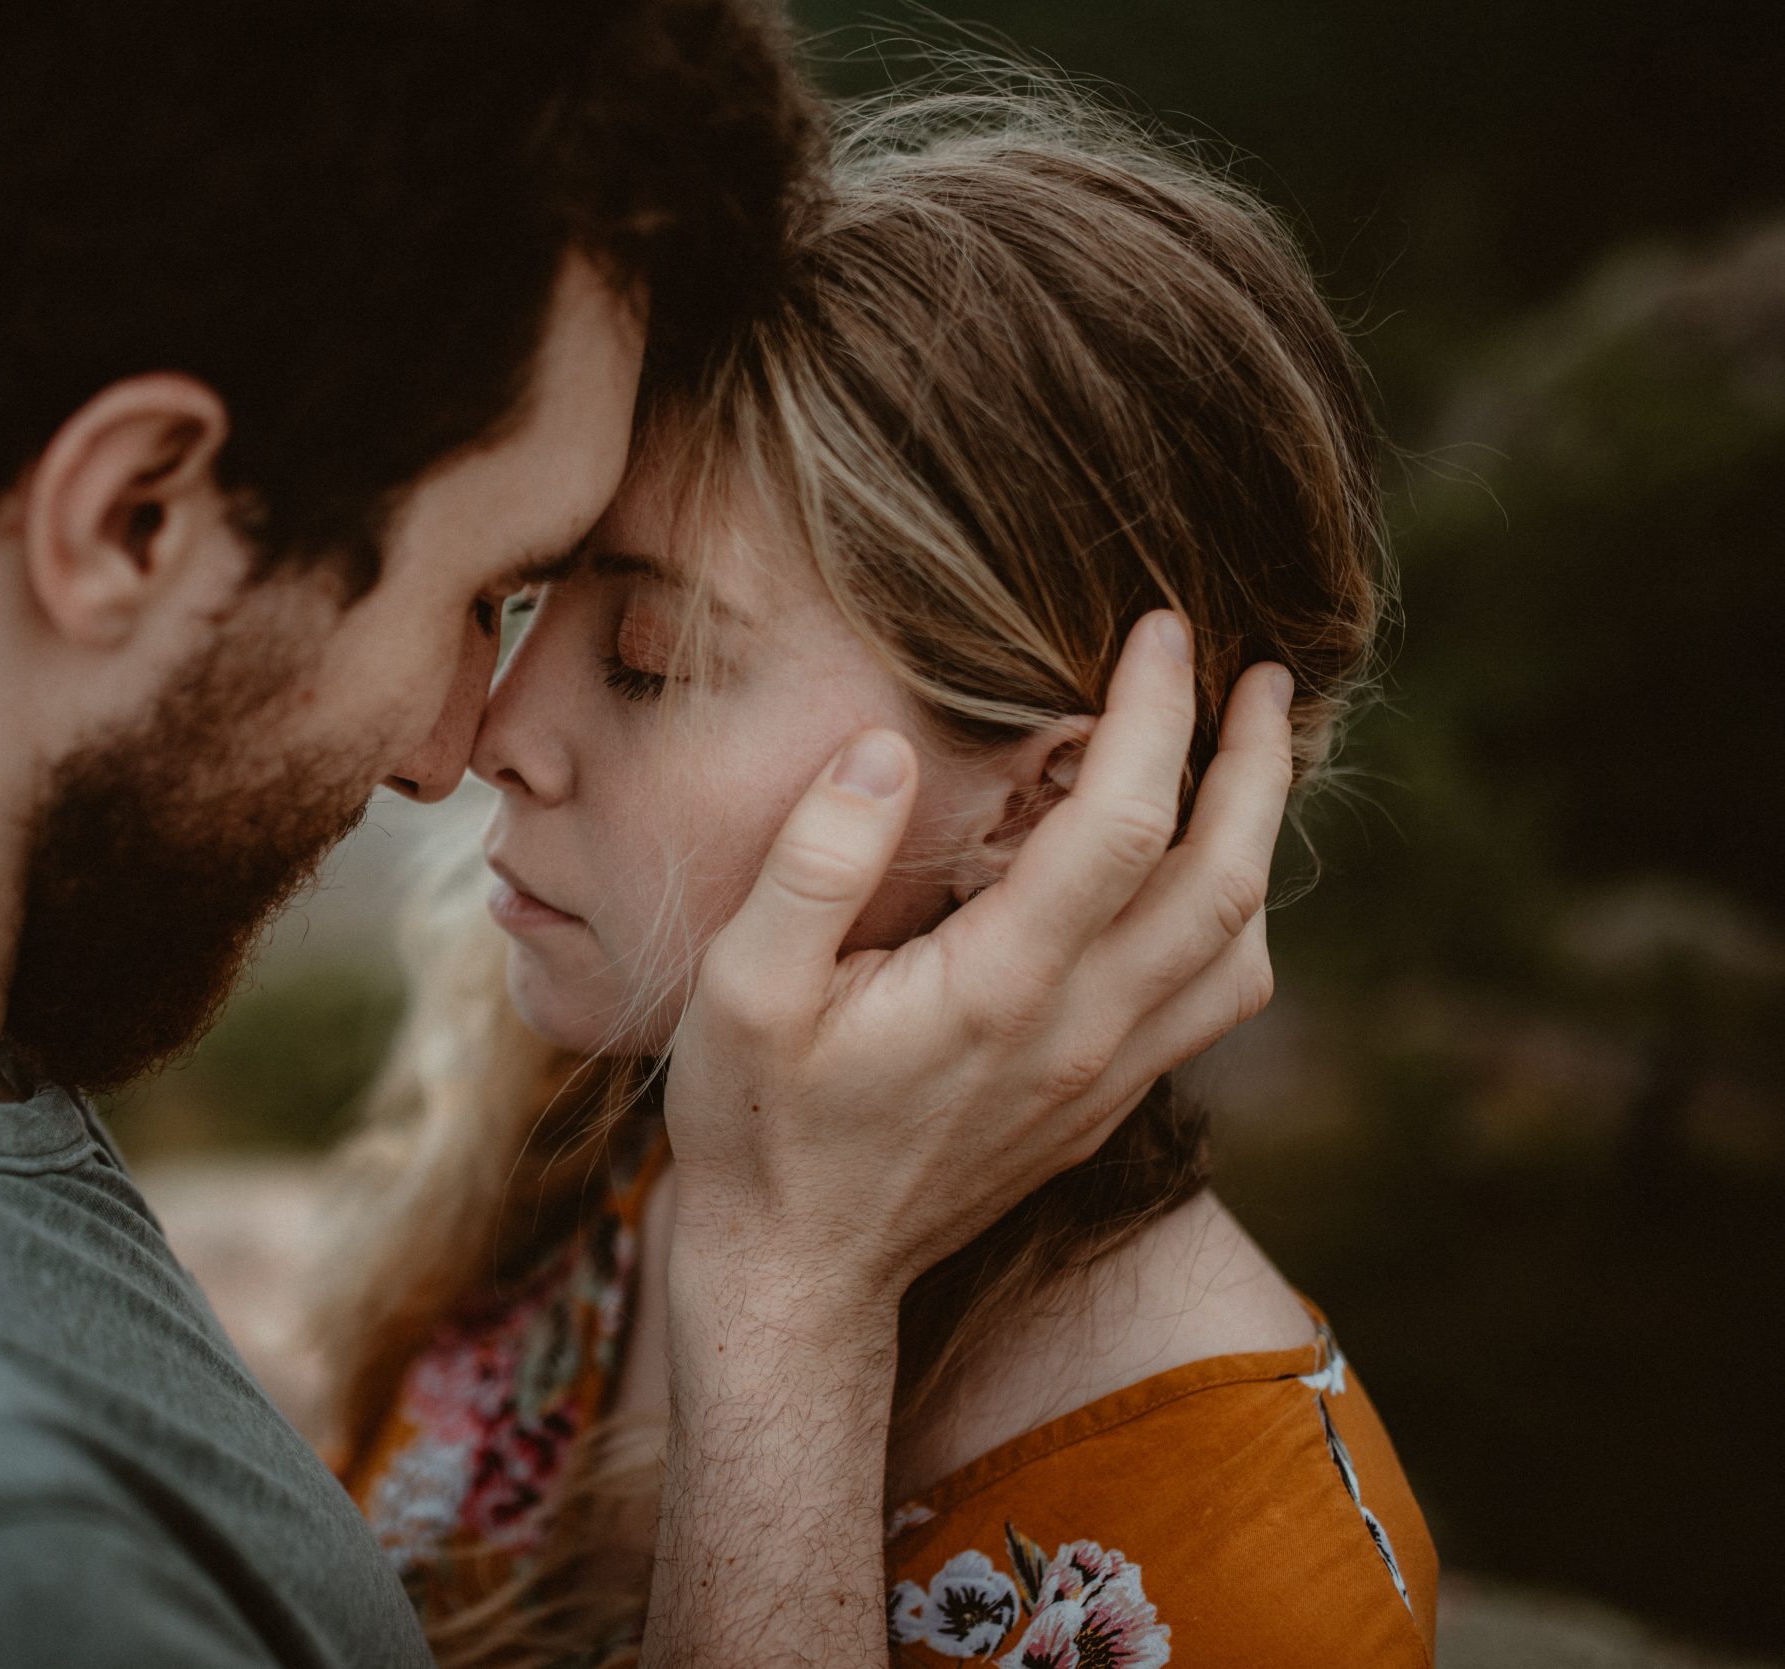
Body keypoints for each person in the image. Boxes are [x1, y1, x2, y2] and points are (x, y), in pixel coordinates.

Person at [0, 4, 1290, 1664]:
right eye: (480, 588)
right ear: (135, 513)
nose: (457, 742)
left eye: (635, 645)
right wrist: (785, 1305)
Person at [323, 84, 1435, 1669]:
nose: (496, 728)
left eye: (645, 656)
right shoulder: (604, 1132)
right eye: (530, 596)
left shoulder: (1250, 1582)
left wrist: (789, 1298)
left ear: (1052, 803)